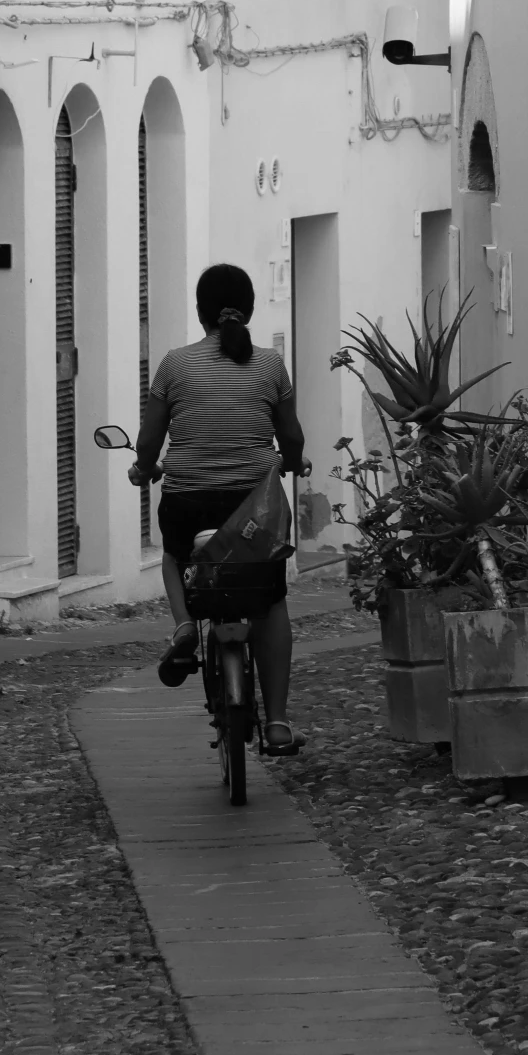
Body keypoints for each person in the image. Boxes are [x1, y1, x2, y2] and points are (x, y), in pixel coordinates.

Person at [131, 262, 305, 755]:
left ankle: (185, 625)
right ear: (248, 310)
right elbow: (290, 436)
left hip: (189, 500)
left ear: (200, 311)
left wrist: (145, 469)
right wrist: (292, 463)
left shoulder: (174, 364)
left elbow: (149, 441)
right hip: (254, 508)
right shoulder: (271, 364)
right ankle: (276, 723)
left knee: (174, 556)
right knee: (270, 601)